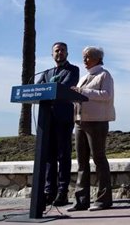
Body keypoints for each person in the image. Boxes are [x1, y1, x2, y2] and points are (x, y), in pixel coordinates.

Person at [67, 46, 116, 212]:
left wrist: (83, 91)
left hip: (97, 122)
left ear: (97, 58)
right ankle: (81, 201)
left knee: (99, 159)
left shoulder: (104, 75)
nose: (84, 60)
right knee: (81, 162)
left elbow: (107, 95)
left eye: (87, 57)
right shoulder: (83, 77)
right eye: (83, 57)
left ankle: (103, 200)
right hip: (80, 122)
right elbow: (80, 95)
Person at [36, 42, 79, 207]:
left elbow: (64, 87)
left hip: (63, 118)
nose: (59, 53)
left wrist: (49, 88)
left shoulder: (73, 70)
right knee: (49, 157)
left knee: (63, 155)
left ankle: (62, 192)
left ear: (67, 53)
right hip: (47, 119)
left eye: (62, 50)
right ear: (52, 54)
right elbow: (38, 88)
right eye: (56, 50)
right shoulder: (46, 73)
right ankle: (49, 191)